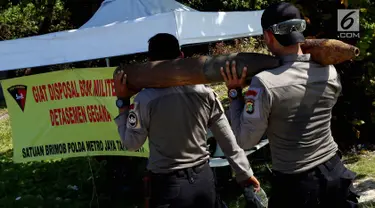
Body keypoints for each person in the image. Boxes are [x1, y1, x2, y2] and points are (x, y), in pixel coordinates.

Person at [220, 2, 359, 208]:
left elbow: (245, 140)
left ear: (268, 36)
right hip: (335, 172)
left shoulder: (264, 83)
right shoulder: (329, 72)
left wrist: (234, 93)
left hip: (297, 184)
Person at [113, 33, 260, 208]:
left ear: (150, 63)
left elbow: (132, 143)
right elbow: (228, 141)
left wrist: (122, 103)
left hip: (168, 188)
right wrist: (244, 173)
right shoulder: (205, 93)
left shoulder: (144, 100)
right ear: (181, 57)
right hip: (204, 182)